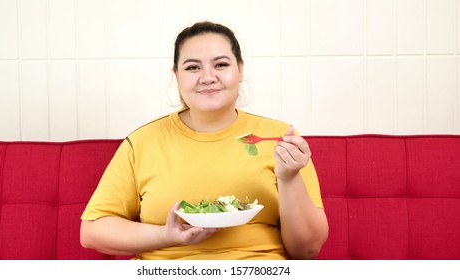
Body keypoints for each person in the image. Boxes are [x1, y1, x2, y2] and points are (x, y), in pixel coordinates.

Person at [80, 21, 328, 260]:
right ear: (176, 75)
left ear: (240, 69)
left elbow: (306, 250)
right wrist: (166, 235)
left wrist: (289, 177)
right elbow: (92, 232)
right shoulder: (143, 141)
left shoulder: (280, 138)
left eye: (221, 65)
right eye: (192, 67)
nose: (207, 77)